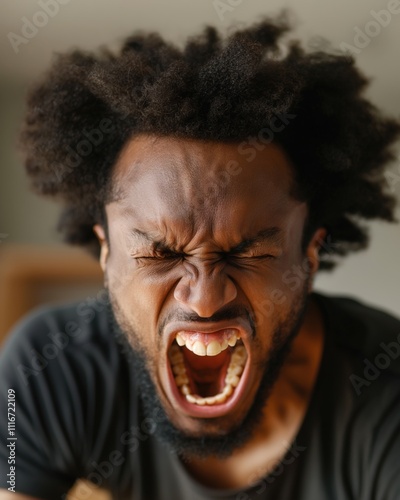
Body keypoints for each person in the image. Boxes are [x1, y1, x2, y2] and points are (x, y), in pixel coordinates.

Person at [1, 13, 400, 500]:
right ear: (106, 253)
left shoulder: (388, 386)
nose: (206, 299)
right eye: (161, 252)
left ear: (309, 257)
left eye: (249, 252)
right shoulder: (46, 368)